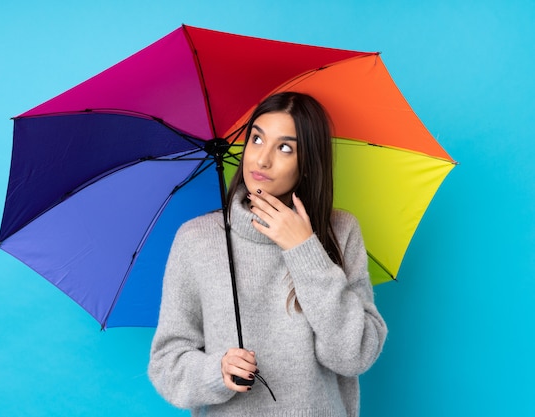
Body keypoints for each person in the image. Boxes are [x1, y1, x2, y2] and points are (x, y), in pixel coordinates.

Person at [148, 92, 387, 416]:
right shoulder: (196, 240)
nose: (261, 159)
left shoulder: (340, 231)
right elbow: (166, 363)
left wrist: (304, 250)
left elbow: (353, 355)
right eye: (257, 139)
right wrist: (215, 372)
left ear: (307, 165)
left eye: (285, 147)